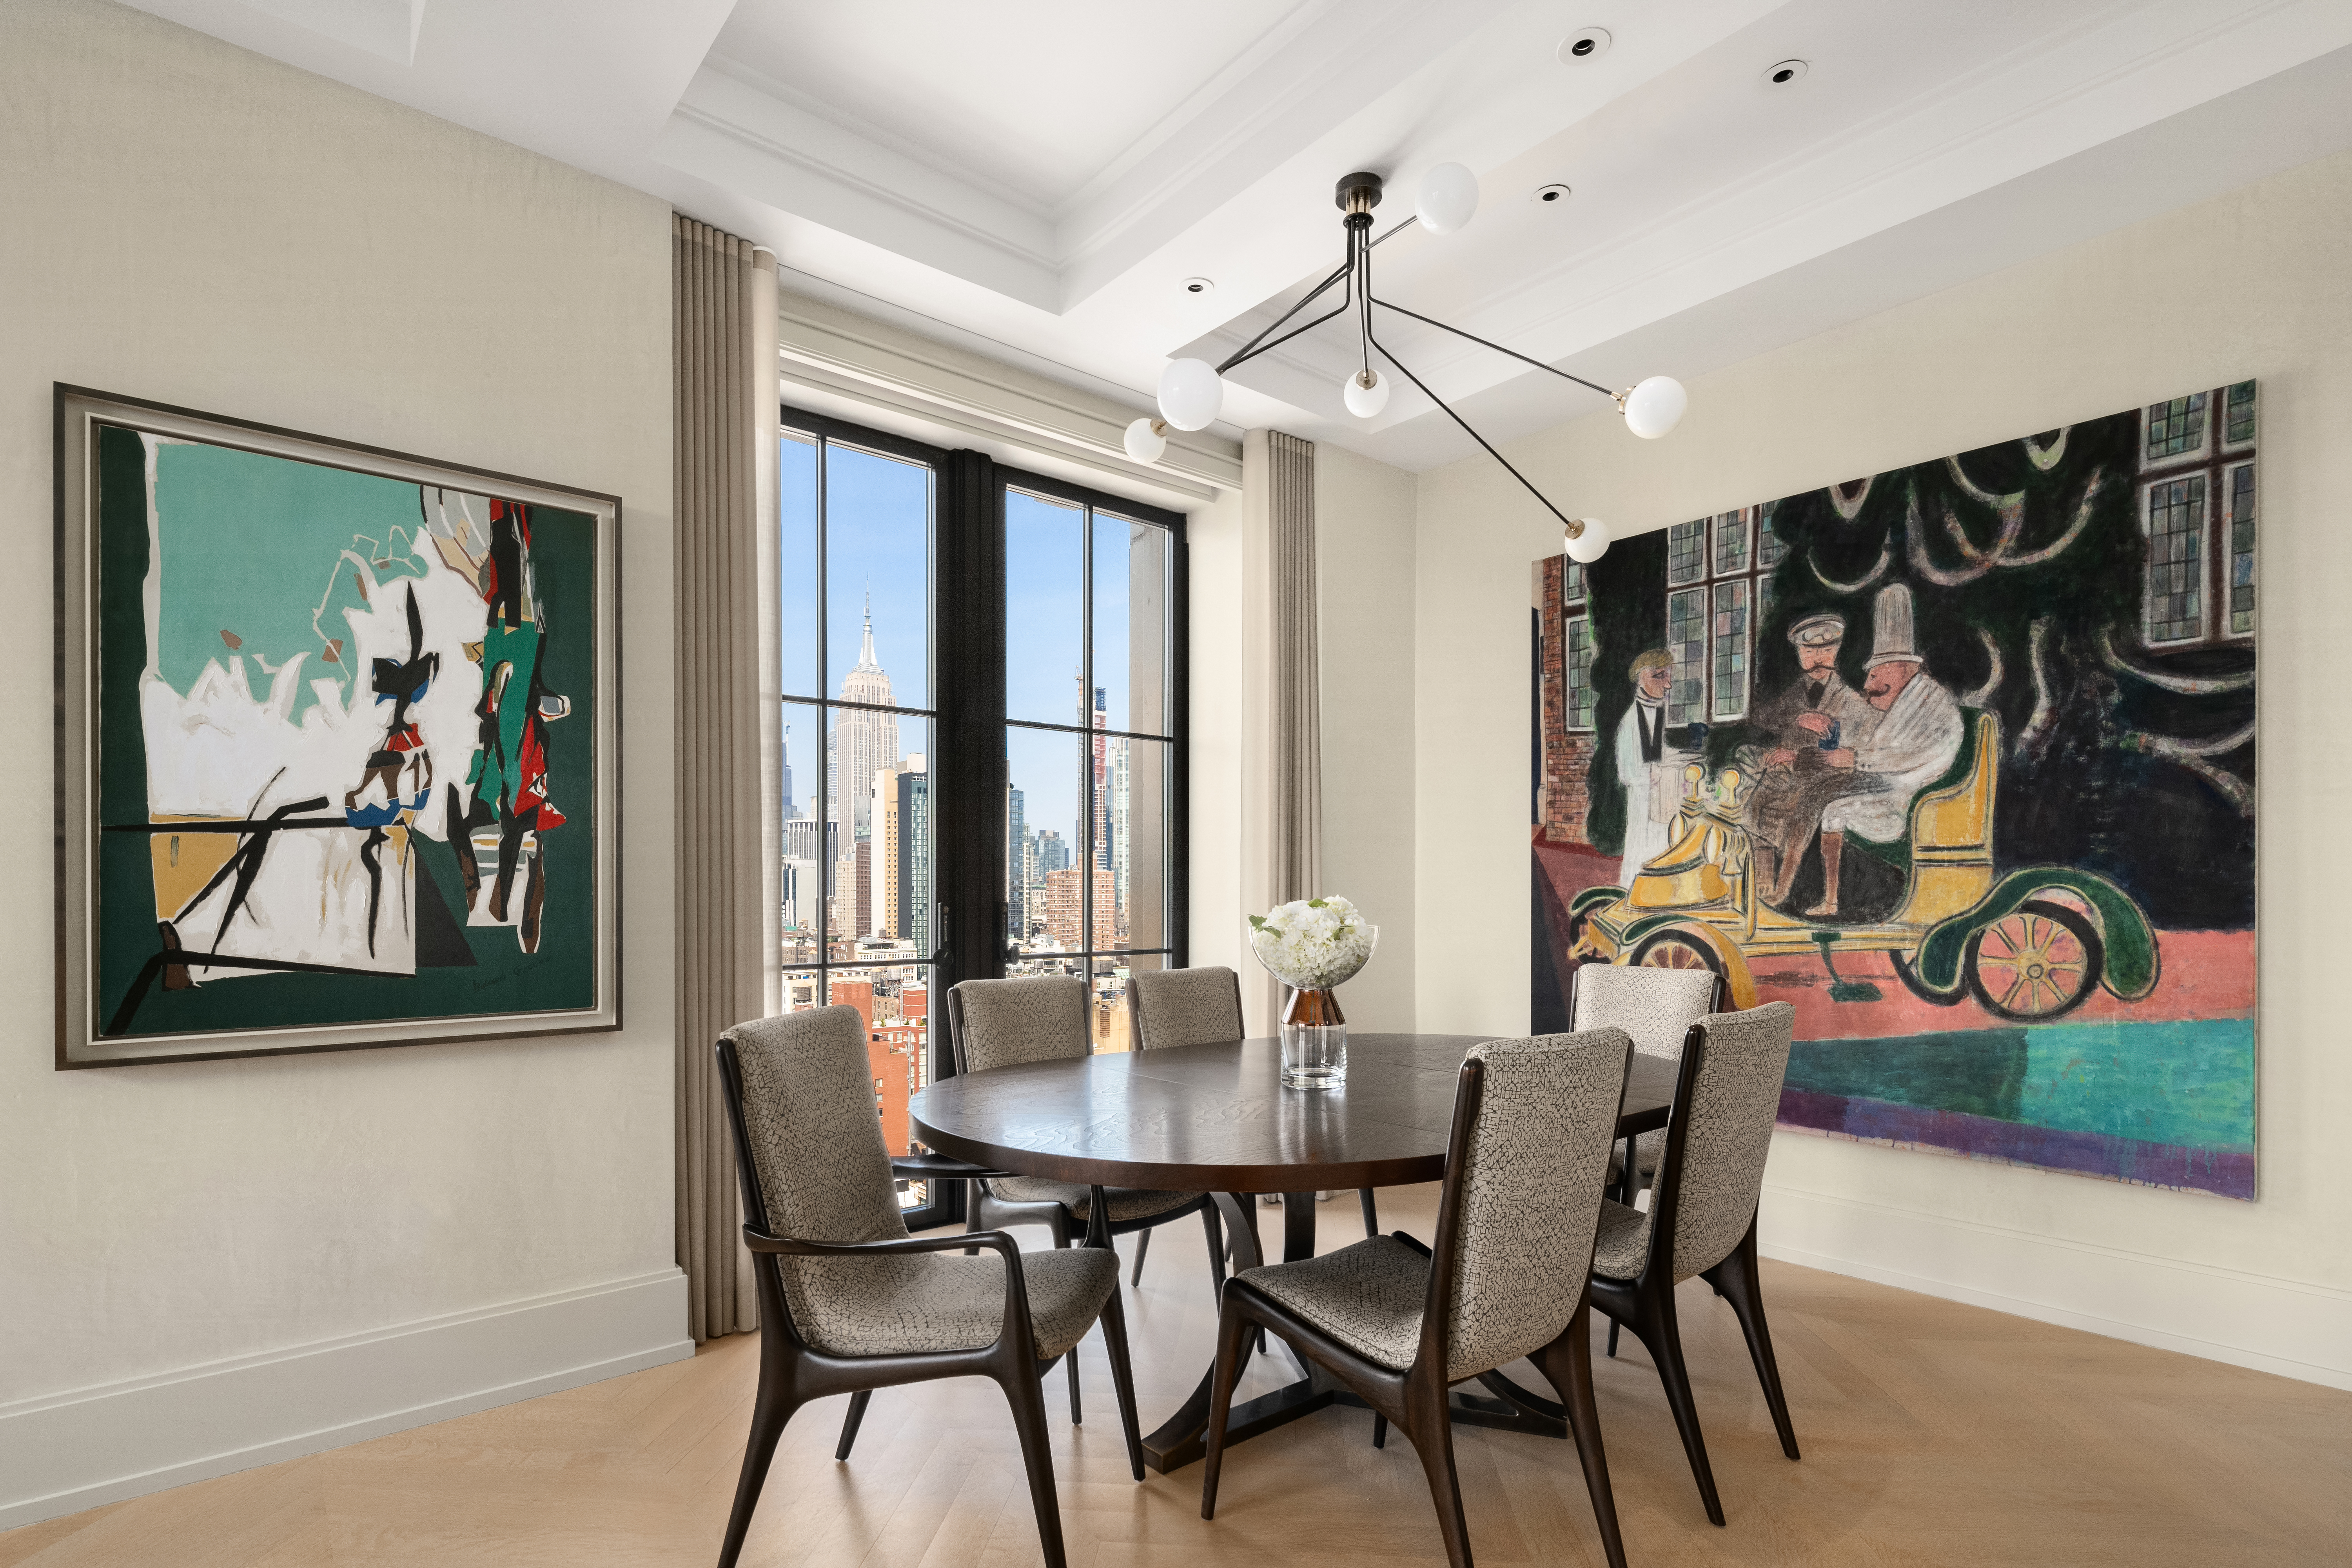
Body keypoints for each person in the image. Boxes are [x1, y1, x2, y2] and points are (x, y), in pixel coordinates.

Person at [1808, 584, 1964, 917]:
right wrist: (1844, 745)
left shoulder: (1931, 703)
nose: (1868, 686)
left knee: (1833, 809)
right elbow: (1883, 744)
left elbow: (1911, 754)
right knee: (1824, 798)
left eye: (1875, 674)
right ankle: (1831, 900)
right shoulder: (1909, 697)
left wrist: (1856, 759)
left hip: (1917, 799)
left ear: (1901, 668)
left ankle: (1834, 902)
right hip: (1898, 788)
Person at [1739, 612, 1878, 906]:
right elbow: (1762, 717)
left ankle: (1782, 889)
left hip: (1825, 776)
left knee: (1799, 813)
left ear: (1837, 651)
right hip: (1787, 772)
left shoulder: (1852, 701)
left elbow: (1854, 752)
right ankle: (1760, 883)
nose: (1818, 659)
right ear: (1800, 654)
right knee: (1753, 804)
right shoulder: (1794, 693)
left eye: (1826, 650)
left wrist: (1810, 746)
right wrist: (1797, 718)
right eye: (1810, 651)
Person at [1613, 649, 1687, 885]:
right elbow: (1627, 773)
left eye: (1669, 676)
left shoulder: (1657, 712)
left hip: (1662, 802)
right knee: (1642, 854)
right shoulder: (1631, 720)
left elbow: (1657, 754)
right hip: (1642, 804)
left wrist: (1681, 759)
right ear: (1643, 678)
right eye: (1661, 676)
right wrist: (1654, 774)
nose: (1668, 685)